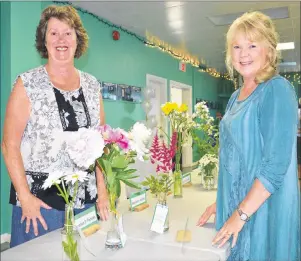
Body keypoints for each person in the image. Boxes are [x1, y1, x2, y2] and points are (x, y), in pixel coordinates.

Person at [1, 5, 109, 248]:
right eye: (53, 33)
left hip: (85, 201)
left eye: (68, 33)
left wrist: (102, 191)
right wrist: (25, 196)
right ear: (44, 40)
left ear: (77, 39)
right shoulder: (27, 84)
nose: (61, 40)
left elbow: (101, 145)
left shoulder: (92, 86)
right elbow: (10, 145)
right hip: (39, 204)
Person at [197, 11, 300, 261]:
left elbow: (274, 167)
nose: (244, 54)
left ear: (269, 50)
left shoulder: (276, 89)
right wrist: (221, 203)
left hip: (263, 210)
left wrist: (240, 214)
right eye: (237, 46)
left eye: (252, 45)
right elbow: (236, 158)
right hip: (239, 206)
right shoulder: (235, 96)